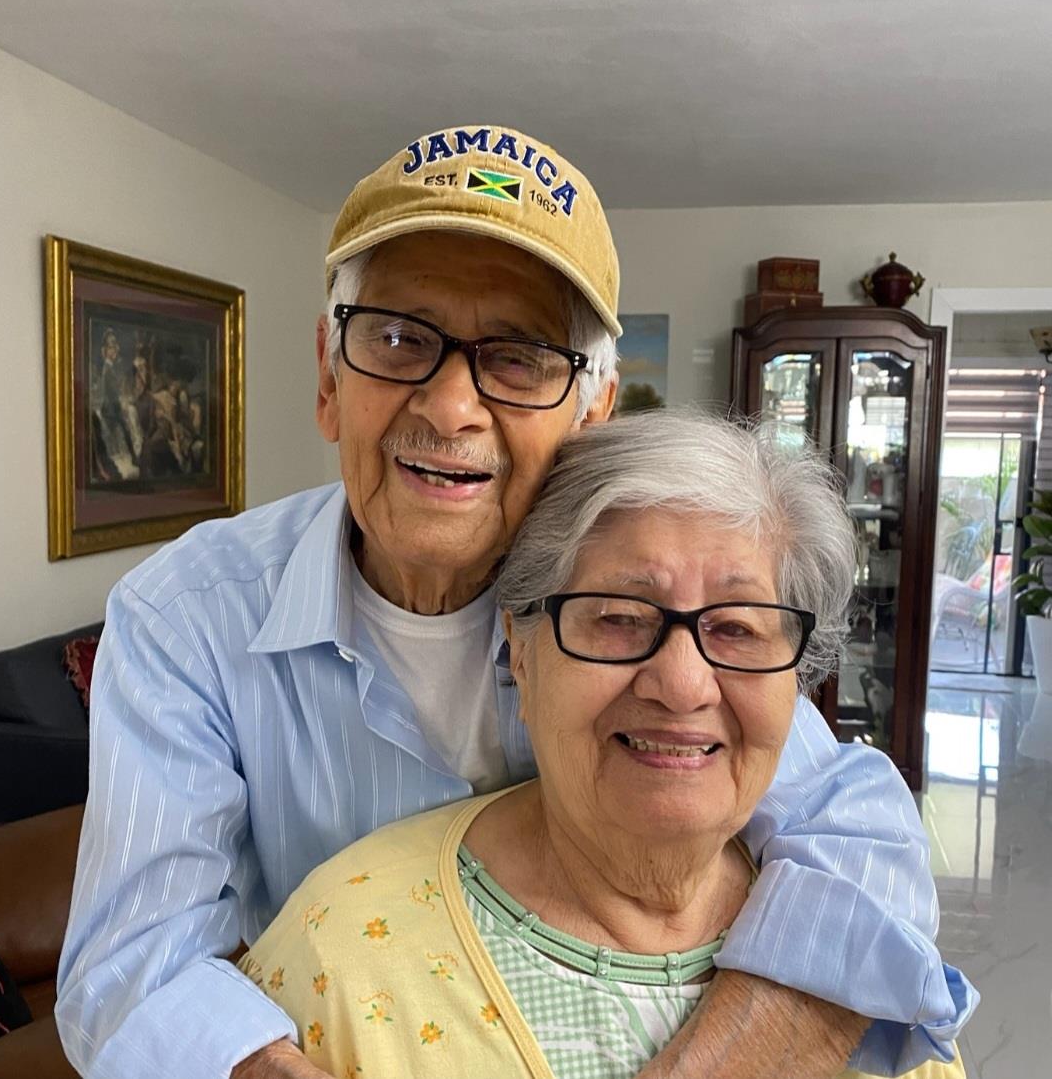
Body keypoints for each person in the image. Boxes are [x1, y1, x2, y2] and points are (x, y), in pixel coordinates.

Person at [57, 126, 974, 1079]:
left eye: (520, 357)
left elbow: (856, 829)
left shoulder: (641, 611)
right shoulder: (185, 615)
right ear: (330, 380)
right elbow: (130, 970)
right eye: (401, 338)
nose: (450, 407)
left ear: (593, 415)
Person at [239, 409, 966, 1079]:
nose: (683, 685)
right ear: (519, 650)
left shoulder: (869, 945)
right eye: (618, 617)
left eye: (738, 628)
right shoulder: (339, 959)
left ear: (797, 680)